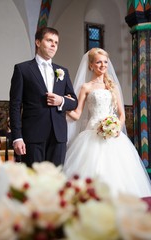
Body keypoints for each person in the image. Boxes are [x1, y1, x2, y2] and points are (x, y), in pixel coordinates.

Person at [63, 48, 151, 198]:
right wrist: (63, 106)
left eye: (105, 62)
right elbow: (77, 114)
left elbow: (121, 114)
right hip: (91, 133)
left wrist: (117, 127)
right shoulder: (86, 87)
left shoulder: (112, 86)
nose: (103, 65)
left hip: (113, 135)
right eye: (98, 62)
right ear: (91, 65)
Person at [9, 26, 78, 167]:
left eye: (56, 42)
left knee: (56, 181)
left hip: (58, 136)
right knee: (33, 181)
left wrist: (62, 101)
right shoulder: (22, 69)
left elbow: (74, 102)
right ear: (38, 42)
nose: (53, 45)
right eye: (49, 40)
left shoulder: (62, 71)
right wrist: (17, 137)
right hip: (33, 135)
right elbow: (15, 105)